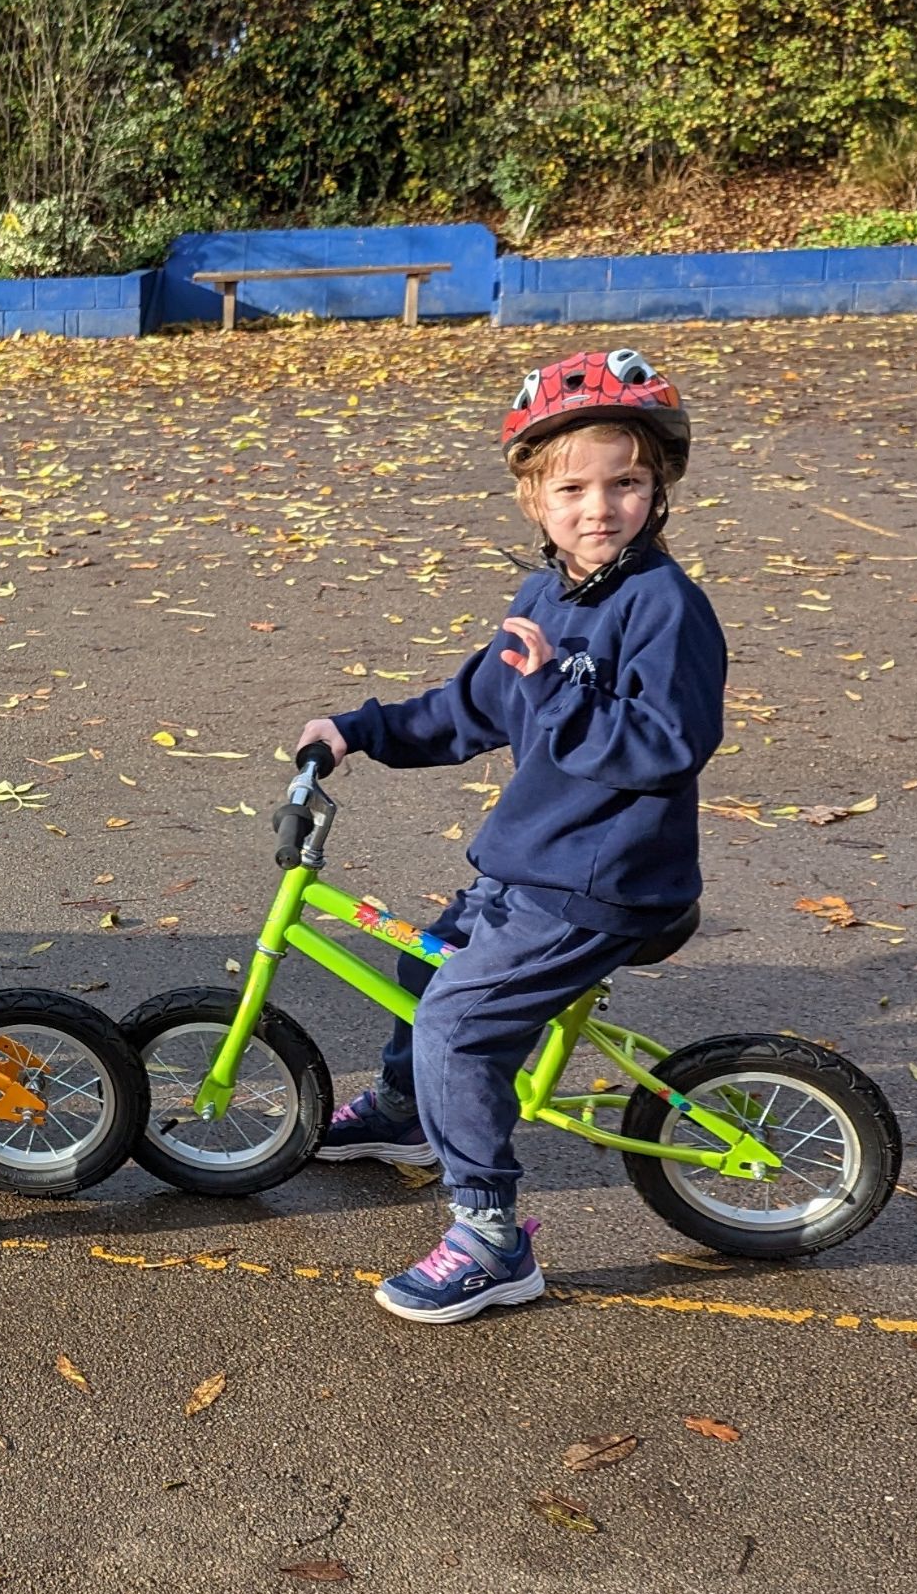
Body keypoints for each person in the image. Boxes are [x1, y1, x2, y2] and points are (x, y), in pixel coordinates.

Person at [300, 347, 724, 1324]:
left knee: (458, 1022)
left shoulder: (664, 609)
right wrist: (358, 731)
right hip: (533, 862)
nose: (599, 506)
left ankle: (492, 1239)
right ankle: (412, 1110)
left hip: (603, 883)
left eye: (625, 482)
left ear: (658, 489)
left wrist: (552, 695)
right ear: (535, 500)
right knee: (423, 965)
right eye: (572, 486)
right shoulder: (543, 601)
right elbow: (469, 709)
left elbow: (666, 745)